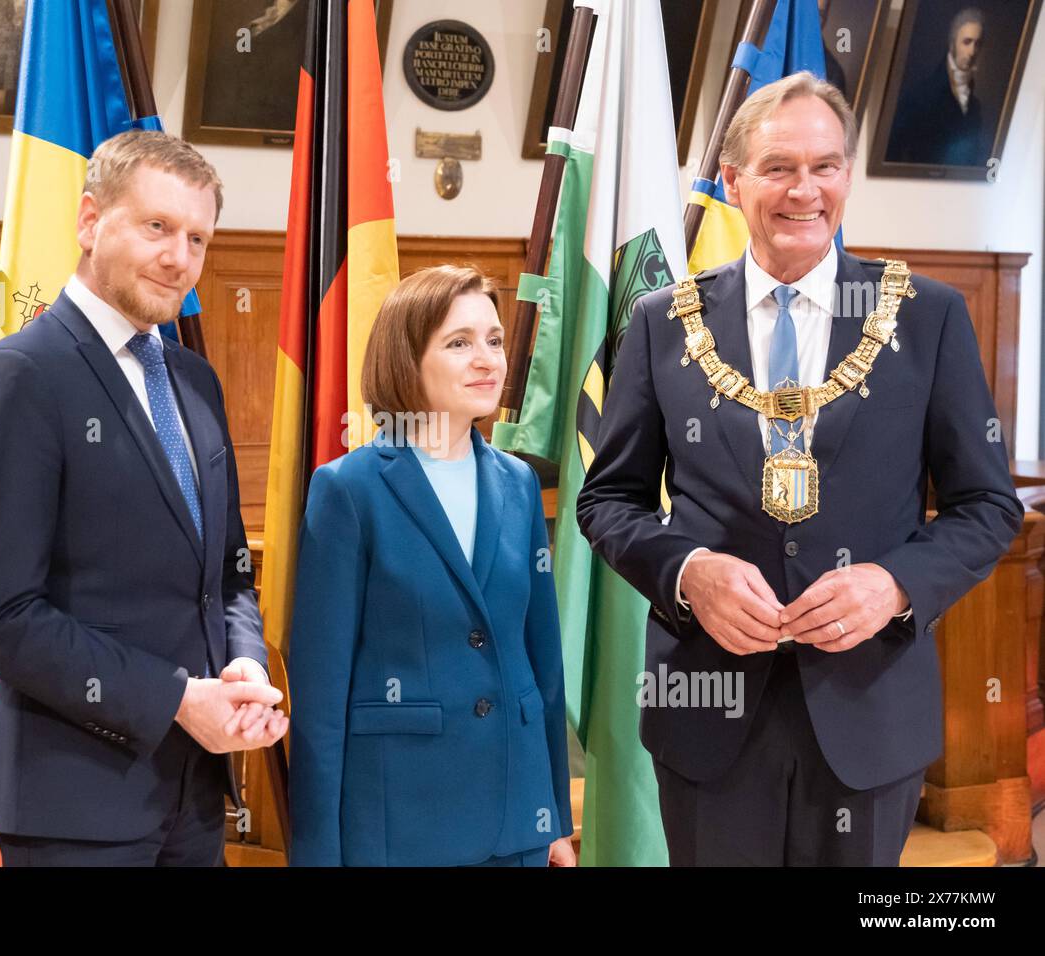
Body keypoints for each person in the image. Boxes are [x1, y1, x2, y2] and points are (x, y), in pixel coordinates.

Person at [577, 72, 1022, 866]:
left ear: (848, 176)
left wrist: (894, 584)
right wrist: (688, 573)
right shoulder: (660, 323)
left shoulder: (928, 317)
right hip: (705, 706)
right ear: (736, 180)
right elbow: (608, 499)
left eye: (825, 166)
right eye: (779, 167)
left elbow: (987, 506)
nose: (804, 190)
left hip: (869, 708)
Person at [0, 130, 288, 866]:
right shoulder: (24, 376)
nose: (180, 258)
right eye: (157, 227)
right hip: (72, 800)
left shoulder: (196, 382)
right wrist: (173, 698)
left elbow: (228, 571)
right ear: (89, 221)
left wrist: (246, 665)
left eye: (198, 238)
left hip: (194, 794)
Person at [287, 265, 576, 867]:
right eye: (459, 343)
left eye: (494, 340)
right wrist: (317, 854)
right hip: (400, 826)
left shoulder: (518, 482)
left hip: (517, 824)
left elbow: (542, 664)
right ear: (406, 358)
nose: (487, 360)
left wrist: (552, 818)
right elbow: (320, 698)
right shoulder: (349, 489)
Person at [887, 7, 988, 167]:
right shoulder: (919, 95)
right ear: (952, 43)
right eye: (967, 42)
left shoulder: (975, 107)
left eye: (978, 44)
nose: (972, 51)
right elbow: (894, 151)